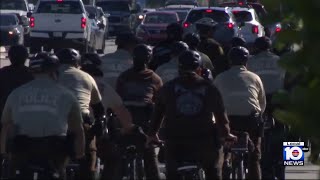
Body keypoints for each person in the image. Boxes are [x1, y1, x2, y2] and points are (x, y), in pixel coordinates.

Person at [147, 50, 236, 180]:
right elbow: (220, 115)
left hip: (175, 142)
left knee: (172, 173)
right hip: (204, 142)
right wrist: (226, 134)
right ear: (200, 69)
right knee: (213, 171)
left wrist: (152, 134)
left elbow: (157, 114)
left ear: (179, 69)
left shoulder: (168, 88)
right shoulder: (209, 88)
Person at [0, 52, 85, 179]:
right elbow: (77, 129)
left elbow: (5, 126)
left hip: (22, 148)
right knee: (61, 170)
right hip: (55, 149)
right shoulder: (67, 95)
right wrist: (79, 155)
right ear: (55, 71)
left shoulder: (16, 93)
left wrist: (4, 154)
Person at [56, 48, 134, 180]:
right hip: (83, 127)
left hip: (56, 129)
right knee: (106, 157)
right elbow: (118, 111)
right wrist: (126, 130)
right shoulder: (95, 82)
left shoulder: (52, 77)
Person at [214, 46, 266, 180]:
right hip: (251, 122)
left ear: (229, 61)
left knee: (220, 151)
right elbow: (262, 104)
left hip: (227, 122)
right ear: (246, 61)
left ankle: (224, 163)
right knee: (254, 156)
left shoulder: (220, 78)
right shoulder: (255, 78)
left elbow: (213, 102)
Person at [116, 44, 162, 180]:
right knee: (149, 154)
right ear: (149, 59)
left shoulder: (124, 76)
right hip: (146, 120)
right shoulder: (155, 78)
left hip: (125, 120)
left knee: (119, 153)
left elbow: (118, 99)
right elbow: (160, 102)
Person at [247, 36, 286, 179]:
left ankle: (262, 162)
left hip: (259, 101)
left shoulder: (250, 61)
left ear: (256, 48)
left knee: (258, 132)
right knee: (289, 134)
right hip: (279, 101)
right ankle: (289, 164)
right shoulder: (280, 61)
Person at [0, 45, 33, 120]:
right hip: (27, 115)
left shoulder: (2, 73)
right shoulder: (31, 74)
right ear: (26, 57)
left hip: (4, 114)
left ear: (9, 56)